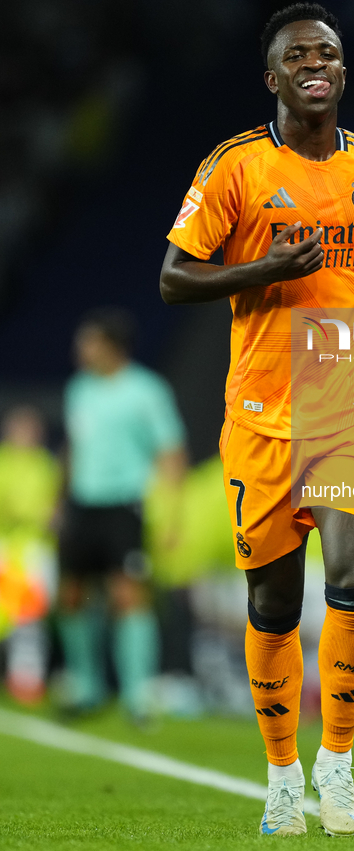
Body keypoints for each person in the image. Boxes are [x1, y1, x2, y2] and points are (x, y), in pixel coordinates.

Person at [160, 2, 354, 836]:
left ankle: (335, 766)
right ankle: (281, 774)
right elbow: (174, 277)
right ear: (272, 77)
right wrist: (264, 267)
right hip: (262, 414)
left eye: (329, 53)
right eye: (297, 55)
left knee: (349, 579)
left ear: (342, 71)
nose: (316, 63)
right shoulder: (234, 167)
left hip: (349, 403)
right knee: (273, 607)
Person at [57, 307, 187, 723]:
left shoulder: (146, 390)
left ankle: (137, 697)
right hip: (82, 504)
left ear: (111, 347)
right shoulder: (79, 389)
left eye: (89, 340)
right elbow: (74, 449)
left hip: (124, 504)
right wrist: (60, 500)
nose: (81, 348)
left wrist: (171, 514)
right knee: (73, 595)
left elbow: (171, 452)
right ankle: (86, 687)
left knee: (127, 595)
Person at [0, 405, 60, 703]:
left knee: (30, 619)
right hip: (5, 547)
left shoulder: (46, 465)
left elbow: (54, 507)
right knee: (6, 617)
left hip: (36, 550)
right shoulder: (3, 461)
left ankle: (26, 678)